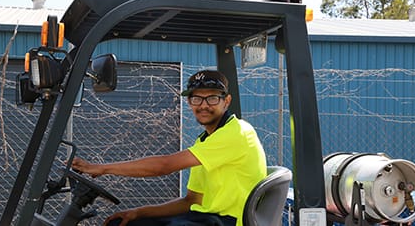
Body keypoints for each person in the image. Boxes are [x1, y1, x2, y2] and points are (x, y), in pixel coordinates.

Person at [70, 70, 267, 226]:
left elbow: (164, 165)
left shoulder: (237, 132)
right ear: (189, 102)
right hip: (206, 219)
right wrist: (138, 213)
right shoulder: (205, 143)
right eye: (196, 98)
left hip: (227, 222)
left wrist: (102, 168)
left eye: (212, 98)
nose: (203, 105)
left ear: (227, 101)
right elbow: (190, 201)